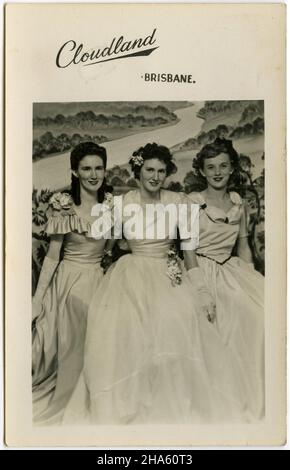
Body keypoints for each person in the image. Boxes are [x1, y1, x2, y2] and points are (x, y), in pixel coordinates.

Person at [63, 143, 250, 425]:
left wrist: (199, 289)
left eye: (161, 171)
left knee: (174, 324)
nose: (155, 177)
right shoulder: (120, 203)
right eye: (149, 170)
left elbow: (188, 248)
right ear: (138, 171)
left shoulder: (179, 202)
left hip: (167, 271)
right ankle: (128, 403)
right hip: (130, 274)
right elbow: (105, 244)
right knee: (124, 330)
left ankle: (166, 406)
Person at [32, 141, 114, 424]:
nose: (93, 174)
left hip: (98, 276)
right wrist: (38, 299)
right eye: (86, 168)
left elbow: (116, 247)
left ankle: (102, 391)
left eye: (98, 168)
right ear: (75, 172)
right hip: (69, 278)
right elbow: (53, 258)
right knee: (83, 307)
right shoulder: (64, 206)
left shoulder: (111, 205)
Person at [188, 137, 264, 419]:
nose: (217, 172)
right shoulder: (193, 203)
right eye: (211, 167)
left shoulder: (237, 202)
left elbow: (243, 245)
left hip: (231, 268)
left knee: (257, 314)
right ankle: (221, 399)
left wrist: (251, 278)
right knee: (215, 323)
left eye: (223, 166)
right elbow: (188, 251)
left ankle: (252, 392)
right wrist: (200, 289)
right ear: (202, 172)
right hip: (202, 268)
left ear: (232, 168)